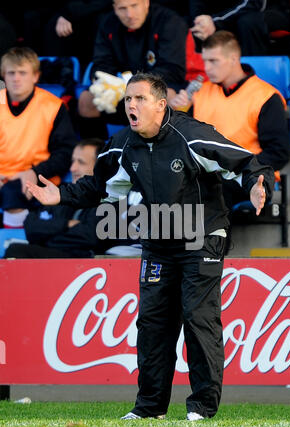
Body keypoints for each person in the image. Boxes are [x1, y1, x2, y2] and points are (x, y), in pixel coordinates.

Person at [26, 72, 274, 421]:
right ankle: (149, 408)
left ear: (161, 105)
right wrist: (60, 195)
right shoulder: (122, 144)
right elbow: (98, 186)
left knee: (197, 316)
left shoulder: (192, 135)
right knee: (153, 324)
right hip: (159, 240)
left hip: (202, 235)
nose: (132, 104)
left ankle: (202, 407)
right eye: (128, 99)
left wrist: (257, 188)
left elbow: (248, 163)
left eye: (140, 98)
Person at [169, 31, 290, 215]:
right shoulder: (199, 94)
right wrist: (177, 113)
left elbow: (278, 154)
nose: (207, 68)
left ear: (233, 59)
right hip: (204, 173)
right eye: (205, 61)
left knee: (209, 191)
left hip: (248, 176)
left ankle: (204, 242)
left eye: (213, 61)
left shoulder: (266, 96)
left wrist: (234, 167)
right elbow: (181, 141)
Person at [77, 0, 188, 139]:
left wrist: (134, 85)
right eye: (122, 8)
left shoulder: (169, 21)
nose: (129, 14)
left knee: (171, 97)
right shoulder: (108, 23)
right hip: (122, 91)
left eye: (134, 6)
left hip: (157, 86)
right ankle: (99, 155)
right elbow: (101, 64)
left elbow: (173, 70)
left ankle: (163, 154)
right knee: (86, 100)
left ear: (146, 3)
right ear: (115, 8)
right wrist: (106, 85)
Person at [0, 46, 77, 229]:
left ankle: (13, 248)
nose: (16, 78)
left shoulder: (53, 106)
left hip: (37, 177)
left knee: (14, 193)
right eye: (11, 73)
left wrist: (34, 173)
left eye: (22, 73)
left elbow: (65, 153)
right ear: (3, 75)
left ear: (35, 76)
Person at [4, 138, 107, 258]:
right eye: (73, 161)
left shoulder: (108, 196)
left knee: (16, 251)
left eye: (81, 162)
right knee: (14, 250)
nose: (72, 168)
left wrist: (48, 237)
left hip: (83, 264)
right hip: (52, 257)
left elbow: (91, 237)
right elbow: (31, 227)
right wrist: (67, 224)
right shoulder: (60, 191)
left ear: (99, 167)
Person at [189, 0, 270, 56]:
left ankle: (252, 72)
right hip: (217, 17)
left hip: (246, 14)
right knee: (190, 25)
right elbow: (197, 6)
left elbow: (252, 4)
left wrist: (214, 22)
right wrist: (201, 22)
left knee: (248, 22)